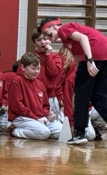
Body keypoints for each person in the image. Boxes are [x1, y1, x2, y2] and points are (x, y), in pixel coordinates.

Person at [40, 17, 107, 145]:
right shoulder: (67, 42)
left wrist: (90, 61)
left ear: (54, 26)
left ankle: (80, 133)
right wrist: (78, 73)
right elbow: (76, 57)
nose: (46, 37)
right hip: (104, 55)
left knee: (81, 96)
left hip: (96, 55)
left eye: (46, 33)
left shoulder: (63, 29)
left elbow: (84, 38)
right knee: (98, 96)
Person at [7, 52, 62, 140]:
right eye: (33, 68)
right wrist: (36, 118)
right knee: (44, 132)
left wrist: (47, 114)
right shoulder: (17, 81)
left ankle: (37, 131)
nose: (36, 71)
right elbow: (18, 106)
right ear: (23, 67)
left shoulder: (40, 84)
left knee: (61, 131)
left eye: (38, 68)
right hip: (21, 117)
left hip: (39, 118)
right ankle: (14, 130)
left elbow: (45, 105)